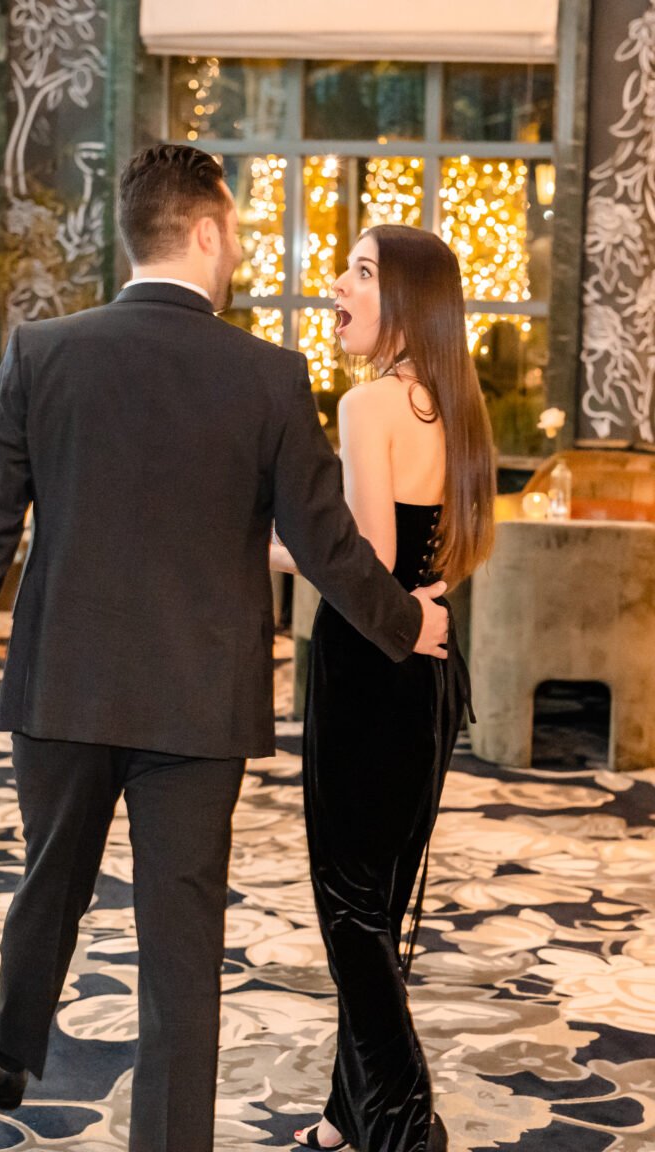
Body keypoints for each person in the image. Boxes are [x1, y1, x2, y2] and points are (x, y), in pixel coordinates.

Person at [0, 146, 451, 1152]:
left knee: (52, 879)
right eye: (239, 231)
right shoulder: (268, 376)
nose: (241, 248)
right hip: (201, 706)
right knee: (181, 951)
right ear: (205, 232)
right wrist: (405, 620)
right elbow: (327, 541)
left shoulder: (41, 351)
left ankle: (8, 1035)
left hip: (62, 691)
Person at [274, 225, 495, 1152]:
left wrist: (261, 542)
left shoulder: (370, 405)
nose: (337, 285)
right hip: (434, 679)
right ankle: (345, 1111)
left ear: (407, 302)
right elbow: (413, 562)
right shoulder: (453, 407)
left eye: (361, 272)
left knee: (349, 908)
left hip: (370, 670)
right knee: (379, 899)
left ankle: (403, 1126)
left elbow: (359, 567)